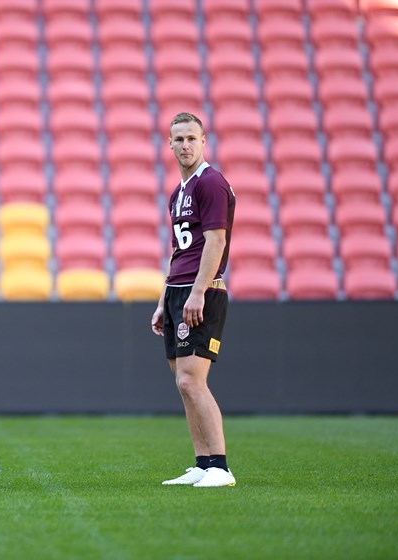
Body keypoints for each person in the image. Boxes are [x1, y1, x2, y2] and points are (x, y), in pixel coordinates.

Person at [150, 112, 237, 488]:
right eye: (178, 139)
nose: (185, 145)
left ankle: (220, 467)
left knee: (192, 381)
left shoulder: (211, 183)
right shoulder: (178, 192)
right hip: (176, 291)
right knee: (182, 381)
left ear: (203, 141)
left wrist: (198, 291)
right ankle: (203, 464)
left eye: (191, 138)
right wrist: (161, 299)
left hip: (201, 291)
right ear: (168, 144)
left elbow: (215, 241)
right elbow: (178, 250)